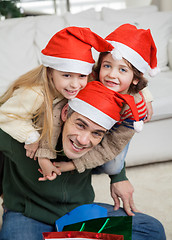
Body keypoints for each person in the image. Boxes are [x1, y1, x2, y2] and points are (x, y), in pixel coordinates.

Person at [0, 81, 166, 240]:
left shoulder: (97, 145)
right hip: (28, 215)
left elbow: (121, 76)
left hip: (77, 213)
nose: (84, 140)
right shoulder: (27, 136)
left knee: (151, 229)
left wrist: (118, 176)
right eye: (80, 125)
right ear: (65, 113)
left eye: (96, 133)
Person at [37, 24, 157, 179]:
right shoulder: (90, 79)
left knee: (113, 167)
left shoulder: (135, 108)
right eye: (107, 66)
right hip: (89, 124)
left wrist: (75, 165)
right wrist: (44, 153)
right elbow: (57, 110)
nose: (111, 75)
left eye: (122, 70)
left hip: (117, 129)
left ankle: (89, 165)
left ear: (135, 78)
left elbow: (114, 143)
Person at [0, 26, 114, 189]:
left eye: (81, 76)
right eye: (66, 75)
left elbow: (114, 80)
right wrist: (31, 137)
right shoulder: (34, 94)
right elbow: (5, 116)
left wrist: (145, 96)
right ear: (50, 72)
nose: (75, 85)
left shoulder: (84, 85)